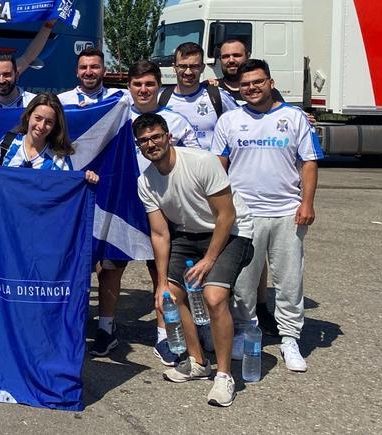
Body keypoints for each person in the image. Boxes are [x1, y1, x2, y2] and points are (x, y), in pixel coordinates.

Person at [135, 113, 255, 407]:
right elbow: (161, 234)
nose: (151, 144)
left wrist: (209, 260)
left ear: (168, 136)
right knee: (172, 298)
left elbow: (227, 215)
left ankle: (225, 376)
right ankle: (198, 361)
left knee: (213, 298)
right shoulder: (146, 181)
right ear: (139, 146)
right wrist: (161, 284)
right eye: (144, 141)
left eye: (156, 137)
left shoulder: (201, 162)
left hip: (231, 231)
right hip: (189, 235)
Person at [214, 59, 322, 373]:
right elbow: (218, 166)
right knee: (245, 282)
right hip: (244, 216)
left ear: (270, 82)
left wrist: (307, 203)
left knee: (289, 281)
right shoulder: (230, 121)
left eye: (258, 82)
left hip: (287, 214)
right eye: (246, 84)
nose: (252, 88)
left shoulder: (294, 117)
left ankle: (290, 339)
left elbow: (310, 163)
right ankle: (247, 332)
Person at [93, 60, 199, 364]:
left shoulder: (175, 122)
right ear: (129, 87)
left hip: (164, 207)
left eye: (149, 84)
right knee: (110, 269)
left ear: (158, 86)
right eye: (137, 84)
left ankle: (164, 334)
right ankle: (106, 327)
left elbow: (194, 159)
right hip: (122, 204)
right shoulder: (114, 116)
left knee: (162, 273)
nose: (143, 89)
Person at [0, 93, 98, 183]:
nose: (41, 126)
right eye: (38, 118)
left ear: (55, 125)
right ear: (28, 116)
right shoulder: (7, 143)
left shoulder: (58, 158)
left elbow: (67, 188)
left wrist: (86, 178)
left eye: (49, 122)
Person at [159, 42, 238, 150]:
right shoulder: (161, 99)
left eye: (194, 66)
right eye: (182, 66)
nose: (188, 72)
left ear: (202, 68)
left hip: (210, 165)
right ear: (174, 68)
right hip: (175, 166)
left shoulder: (217, 96)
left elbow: (241, 122)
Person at [57, 47, 127, 107]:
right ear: (77, 72)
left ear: (104, 71)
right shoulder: (61, 101)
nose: (88, 73)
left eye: (94, 67)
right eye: (83, 67)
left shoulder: (121, 97)